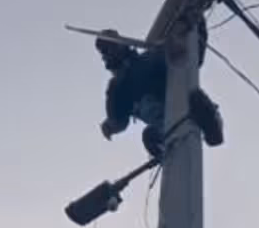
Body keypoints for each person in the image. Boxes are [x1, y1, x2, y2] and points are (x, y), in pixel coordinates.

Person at [96, 25, 225, 160]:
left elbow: (190, 57)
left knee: (196, 99)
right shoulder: (117, 88)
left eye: (112, 45)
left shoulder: (148, 59)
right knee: (150, 134)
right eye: (105, 50)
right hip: (163, 122)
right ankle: (166, 149)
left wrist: (195, 27)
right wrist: (110, 125)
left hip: (187, 104)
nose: (110, 51)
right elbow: (119, 120)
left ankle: (211, 125)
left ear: (122, 44)